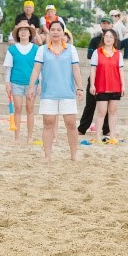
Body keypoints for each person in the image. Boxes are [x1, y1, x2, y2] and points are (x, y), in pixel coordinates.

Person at [31, 19, 84, 161]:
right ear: (49, 32)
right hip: (48, 93)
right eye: (53, 29)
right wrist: (31, 87)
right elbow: (36, 69)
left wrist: (79, 88)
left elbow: (76, 69)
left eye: (58, 30)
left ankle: (73, 155)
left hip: (67, 93)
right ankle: (47, 156)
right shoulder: (42, 50)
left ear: (63, 32)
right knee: (48, 123)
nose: (55, 32)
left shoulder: (71, 49)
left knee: (71, 124)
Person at [76, 16, 114, 139]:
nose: (105, 25)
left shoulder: (115, 41)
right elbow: (89, 55)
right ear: (101, 25)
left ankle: (106, 129)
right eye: (103, 23)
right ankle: (82, 128)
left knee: (108, 105)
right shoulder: (94, 40)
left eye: (108, 23)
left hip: (109, 78)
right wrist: (102, 54)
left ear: (112, 25)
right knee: (90, 104)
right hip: (95, 75)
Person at [4, 23, 39, 143]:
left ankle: (29, 136)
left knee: (30, 109)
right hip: (16, 83)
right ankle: (17, 136)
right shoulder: (12, 49)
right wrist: (7, 83)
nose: (23, 32)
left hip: (32, 84)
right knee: (17, 109)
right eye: (21, 30)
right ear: (18, 34)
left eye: (26, 30)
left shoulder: (36, 49)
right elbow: (8, 68)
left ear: (30, 33)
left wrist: (39, 83)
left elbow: (39, 68)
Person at [91, 27, 125, 145]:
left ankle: (112, 135)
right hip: (101, 87)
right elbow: (93, 69)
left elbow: (121, 71)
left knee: (113, 112)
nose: (108, 39)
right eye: (106, 36)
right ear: (103, 38)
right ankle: (98, 136)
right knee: (101, 112)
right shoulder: (97, 52)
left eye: (111, 37)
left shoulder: (118, 54)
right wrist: (92, 85)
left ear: (115, 39)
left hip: (115, 87)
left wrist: (123, 86)